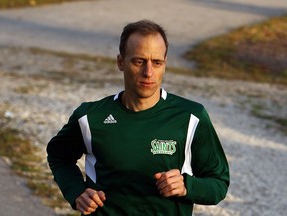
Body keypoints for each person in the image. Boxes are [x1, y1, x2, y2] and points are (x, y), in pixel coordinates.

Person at [46, 19, 229, 216]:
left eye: (156, 63)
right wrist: (77, 192)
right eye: (139, 61)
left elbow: (218, 183)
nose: (148, 72)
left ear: (164, 65)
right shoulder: (90, 117)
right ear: (120, 62)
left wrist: (187, 186)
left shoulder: (191, 117)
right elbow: (59, 156)